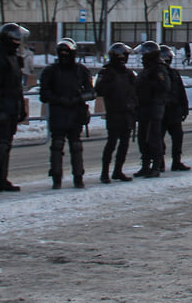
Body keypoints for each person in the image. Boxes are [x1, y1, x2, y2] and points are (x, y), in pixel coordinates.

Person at [39, 37, 95, 189]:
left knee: (75, 146)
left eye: (67, 52)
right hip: (59, 112)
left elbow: (91, 92)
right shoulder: (50, 71)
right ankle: (57, 177)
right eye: (61, 52)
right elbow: (44, 94)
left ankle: (78, 176)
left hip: (75, 113)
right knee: (57, 146)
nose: (64, 55)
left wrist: (77, 98)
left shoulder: (81, 70)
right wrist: (61, 99)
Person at [0, 23, 29, 195]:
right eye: (16, 38)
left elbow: (17, 86)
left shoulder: (14, 58)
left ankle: (2, 179)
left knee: (7, 144)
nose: (18, 42)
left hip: (12, 106)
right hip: (2, 106)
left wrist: (21, 106)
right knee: (1, 144)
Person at [94, 42, 138, 182]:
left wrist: (134, 106)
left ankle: (118, 170)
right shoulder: (106, 72)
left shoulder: (128, 73)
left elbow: (135, 91)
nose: (121, 58)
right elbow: (99, 89)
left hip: (127, 112)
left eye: (123, 55)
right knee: (111, 143)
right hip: (114, 112)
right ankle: (104, 172)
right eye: (119, 56)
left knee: (124, 144)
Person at [134, 41, 169, 178]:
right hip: (143, 107)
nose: (142, 57)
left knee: (154, 138)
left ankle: (156, 165)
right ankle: (145, 165)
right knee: (142, 138)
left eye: (144, 54)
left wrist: (148, 83)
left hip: (154, 107)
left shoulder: (159, 69)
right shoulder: (147, 69)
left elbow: (164, 86)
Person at [159, 45, 191, 171]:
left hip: (174, 110)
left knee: (178, 137)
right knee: (158, 138)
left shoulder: (173, 73)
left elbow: (181, 92)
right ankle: (159, 161)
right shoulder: (155, 73)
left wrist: (184, 107)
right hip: (162, 110)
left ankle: (176, 161)